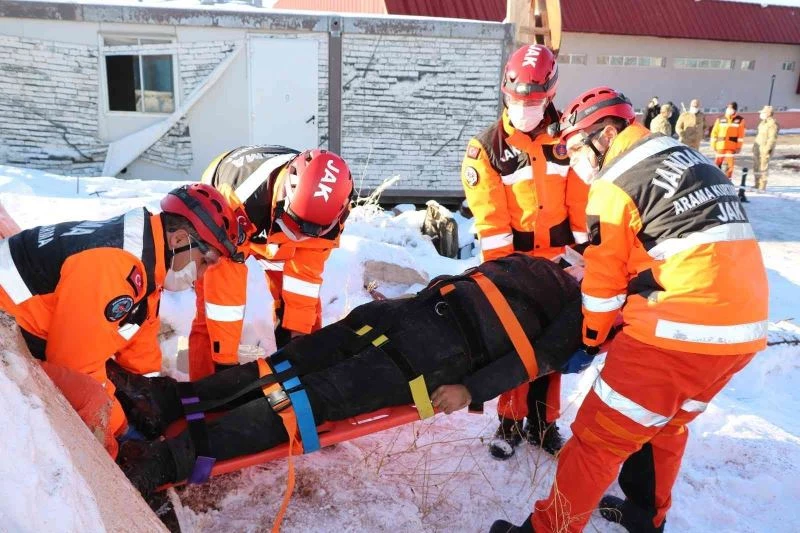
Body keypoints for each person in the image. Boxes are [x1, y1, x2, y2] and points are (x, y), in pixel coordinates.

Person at [491, 86, 768, 533]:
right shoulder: (687, 158)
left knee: (596, 440)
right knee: (664, 426)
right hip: (740, 333)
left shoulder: (615, 182)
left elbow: (601, 290)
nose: (574, 161)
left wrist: (589, 339)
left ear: (605, 134)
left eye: (577, 148)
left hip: (675, 332)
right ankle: (645, 516)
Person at [114, 254, 586, 495]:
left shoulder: (583, 310)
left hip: (432, 357)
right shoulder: (550, 267)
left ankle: (168, 461)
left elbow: (535, 363)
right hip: (411, 313)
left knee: (302, 401)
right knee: (286, 364)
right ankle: (169, 402)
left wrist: (471, 390)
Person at [0, 184, 244, 457]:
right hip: (7, 341)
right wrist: (124, 430)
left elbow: (138, 329)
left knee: (114, 381)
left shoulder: (146, 248)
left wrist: (150, 386)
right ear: (179, 240)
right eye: (204, 262)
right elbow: (76, 366)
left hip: (23, 327)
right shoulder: (114, 267)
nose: (200, 275)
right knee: (93, 403)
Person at [461, 43, 589, 460]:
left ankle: (543, 424)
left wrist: (585, 258)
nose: (523, 107)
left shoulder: (568, 141)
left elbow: (581, 206)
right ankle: (509, 423)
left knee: (556, 344)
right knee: (515, 343)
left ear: (550, 95)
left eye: (532, 101)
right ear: (504, 91)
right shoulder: (487, 149)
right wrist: (503, 280)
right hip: (514, 267)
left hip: (561, 264)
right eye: (516, 99)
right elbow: (492, 224)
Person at [188, 146, 354, 380]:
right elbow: (224, 295)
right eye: (296, 227)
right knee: (212, 313)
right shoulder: (237, 198)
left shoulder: (331, 214)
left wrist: (298, 341)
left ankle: (309, 381)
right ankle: (205, 392)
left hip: (272, 221)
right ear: (285, 198)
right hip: (227, 213)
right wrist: (225, 365)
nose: (301, 238)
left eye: (310, 233)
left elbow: (304, 279)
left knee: (303, 316)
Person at [710, 101, 745, 179]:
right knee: (717, 164)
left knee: (730, 165)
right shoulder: (720, 119)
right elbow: (714, 133)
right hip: (720, 145)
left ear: (735, 110)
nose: (729, 109)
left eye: (731, 108)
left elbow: (740, 135)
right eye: (728, 108)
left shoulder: (740, 120)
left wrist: (739, 147)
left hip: (731, 146)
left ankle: (728, 180)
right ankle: (715, 179)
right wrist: (713, 145)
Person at [753, 105, 780, 191]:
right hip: (758, 148)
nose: (761, 114)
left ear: (768, 113)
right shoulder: (762, 123)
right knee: (756, 166)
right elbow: (759, 135)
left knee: (763, 167)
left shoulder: (772, 124)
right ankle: (756, 184)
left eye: (763, 112)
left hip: (765, 149)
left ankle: (762, 186)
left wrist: (768, 149)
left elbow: (772, 138)